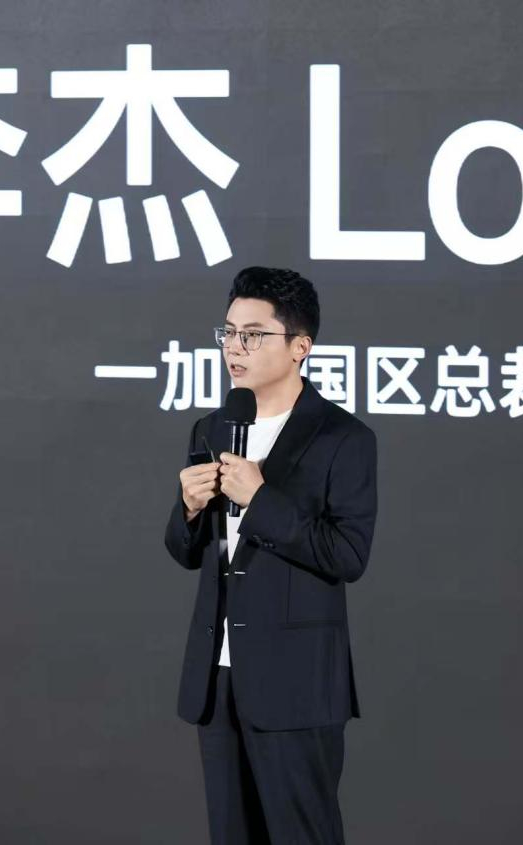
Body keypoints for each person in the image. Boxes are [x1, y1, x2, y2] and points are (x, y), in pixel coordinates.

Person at [163, 266, 379, 844]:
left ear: (299, 347)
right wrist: (188, 511)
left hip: (296, 683)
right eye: (229, 332)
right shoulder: (211, 428)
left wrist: (260, 499)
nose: (235, 347)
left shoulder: (343, 439)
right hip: (217, 681)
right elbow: (188, 552)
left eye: (254, 335)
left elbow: (348, 554)